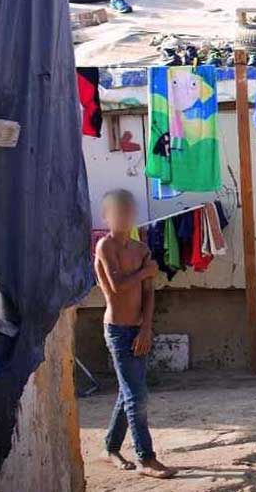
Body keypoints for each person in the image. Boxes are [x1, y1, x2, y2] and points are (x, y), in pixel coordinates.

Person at [93, 190, 174, 479]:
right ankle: (146, 458)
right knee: (136, 395)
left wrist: (146, 327)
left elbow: (149, 293)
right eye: (117, 212)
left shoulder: (140, 250)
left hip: (138, 329)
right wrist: (147, 271)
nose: (123, 217)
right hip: (116, 330)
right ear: (106, 216)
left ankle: (110, 448)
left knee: (129, 393)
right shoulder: (106, 246)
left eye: (127, 212)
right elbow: (118, 286)